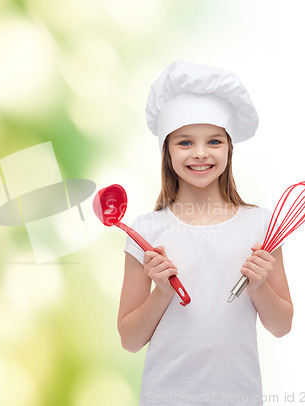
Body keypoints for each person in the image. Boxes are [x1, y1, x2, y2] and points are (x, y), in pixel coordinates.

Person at [118, 62, 293, 406]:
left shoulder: (262, 226)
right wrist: (162, 291)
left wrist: (258, 286)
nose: (200, 153)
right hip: (164, 397)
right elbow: (130, 339)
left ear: (229, 148)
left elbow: (281, 325)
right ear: (167, 152)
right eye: (185, 142)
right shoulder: (146, 231)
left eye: (213, 141)